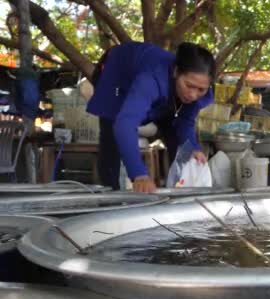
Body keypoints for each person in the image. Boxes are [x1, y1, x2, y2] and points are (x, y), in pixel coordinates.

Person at [87, 41, 215, 192]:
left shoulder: (196, 93)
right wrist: (139, 174)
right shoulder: (151, 79)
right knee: (112, 138)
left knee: (181, 143)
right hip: (117, 73)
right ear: (175, 72)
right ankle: (108, 199)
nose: (193, 95)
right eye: (189, 85)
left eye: (201, 89)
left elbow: (185, 122)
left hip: (162, 89)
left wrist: (193, 147)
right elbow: (125, 124)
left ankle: (179, 193)